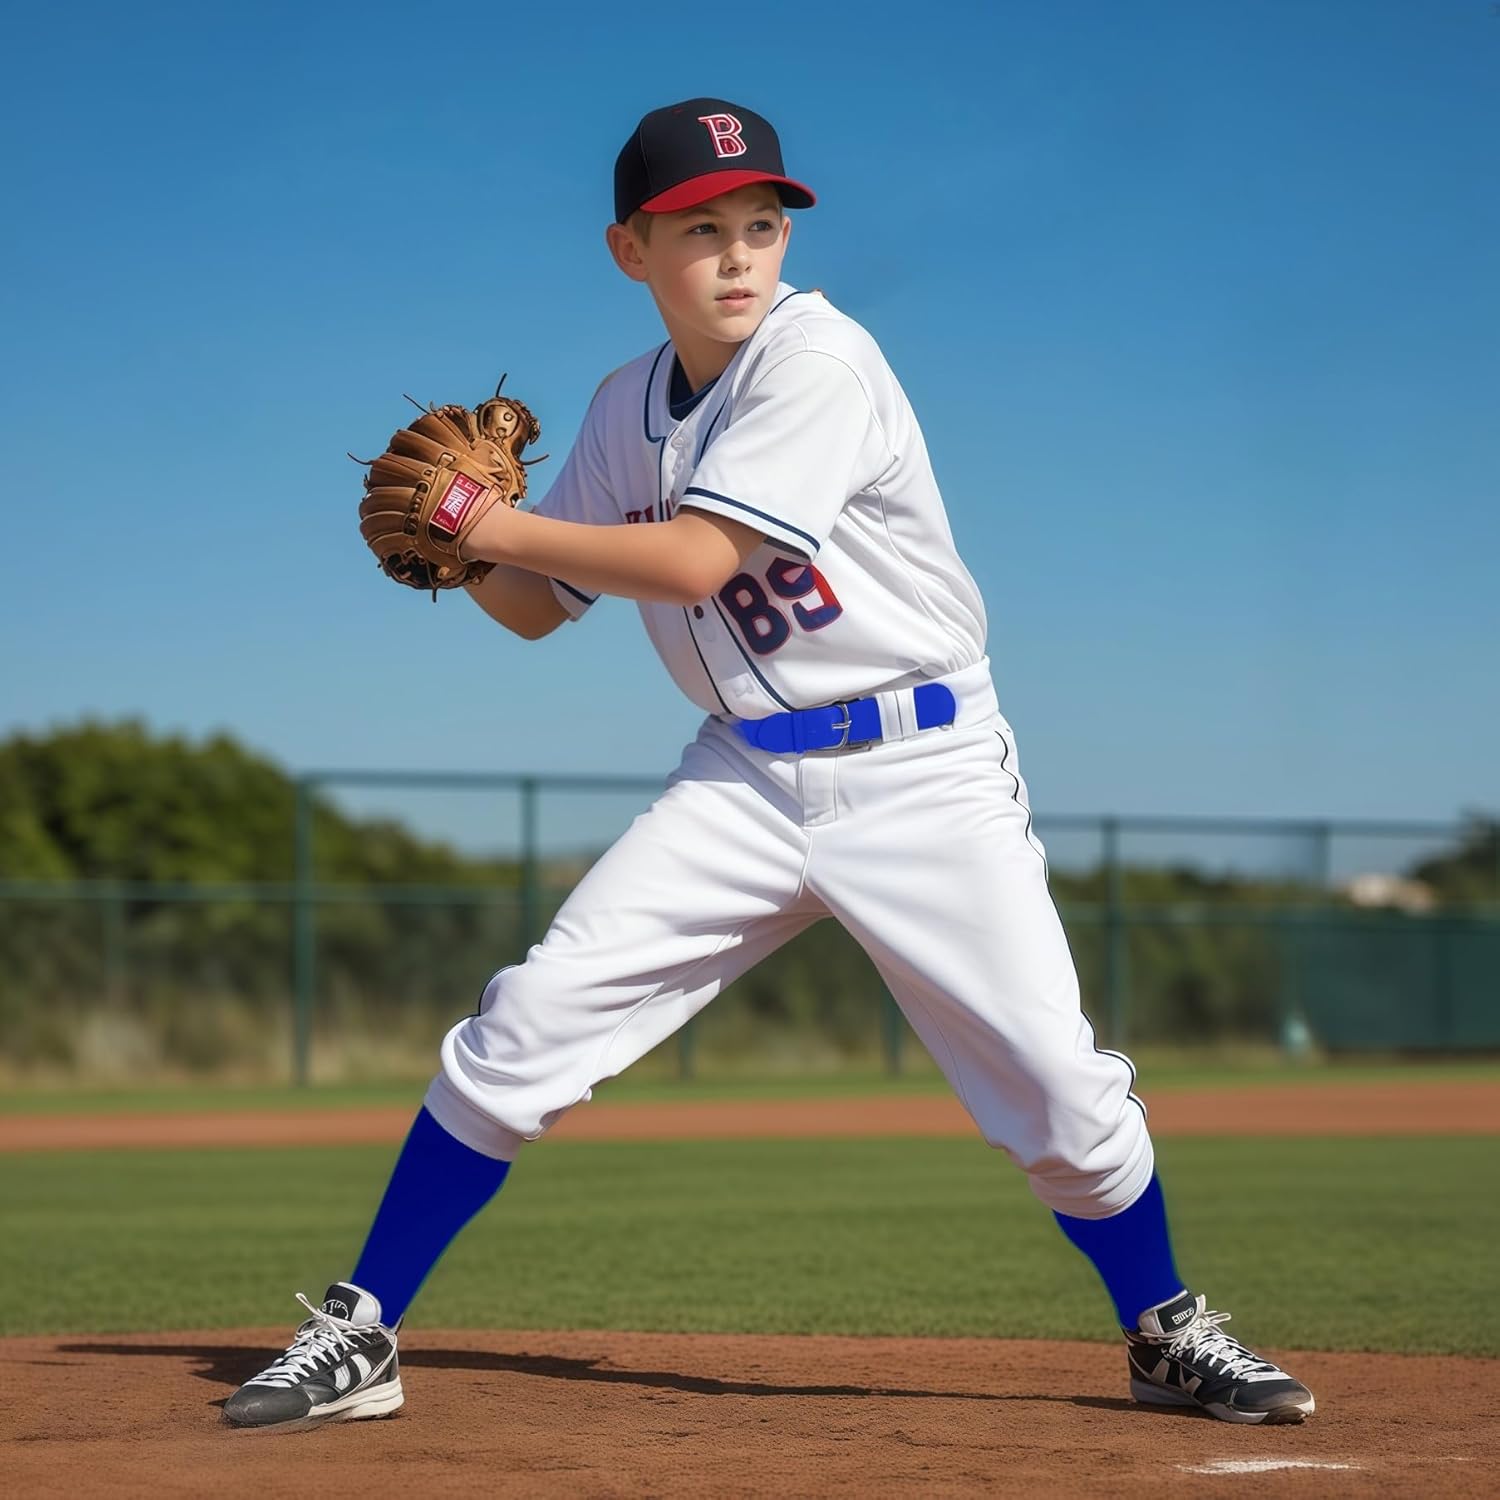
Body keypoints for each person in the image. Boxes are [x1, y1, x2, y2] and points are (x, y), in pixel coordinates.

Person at [224, 97, 1314, 1433]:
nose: (741, 253)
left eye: (761, 223)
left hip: (923, 766)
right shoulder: (628, 405)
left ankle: (1165, 1328)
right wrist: (462, 554)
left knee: (1056, 1089)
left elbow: (691, 561)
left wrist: (494, 519)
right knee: (524, 1026)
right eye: (701, 229)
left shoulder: (820, 360)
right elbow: (537, 608)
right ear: (631, 249)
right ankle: (365, 1329)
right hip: (740, 776)